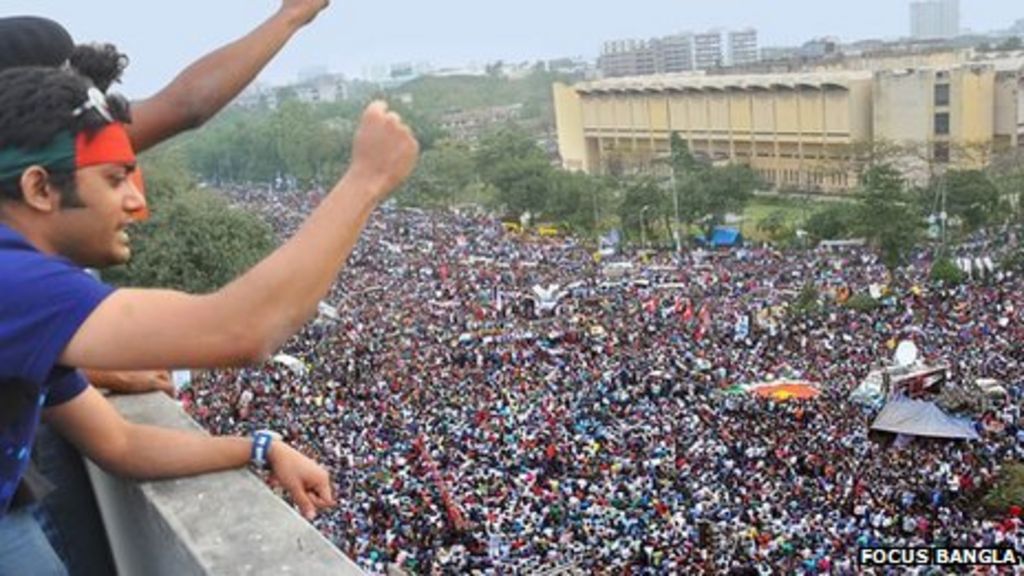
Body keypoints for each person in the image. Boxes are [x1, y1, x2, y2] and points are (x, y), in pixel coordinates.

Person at [0, 65, 416, 574]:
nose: (136, 203)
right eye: (114, 180)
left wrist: (260, 447)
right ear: (40, 188)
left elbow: (121, 443)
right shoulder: (15, 281)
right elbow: (246, 328)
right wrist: (367, 180)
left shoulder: (27, 302)